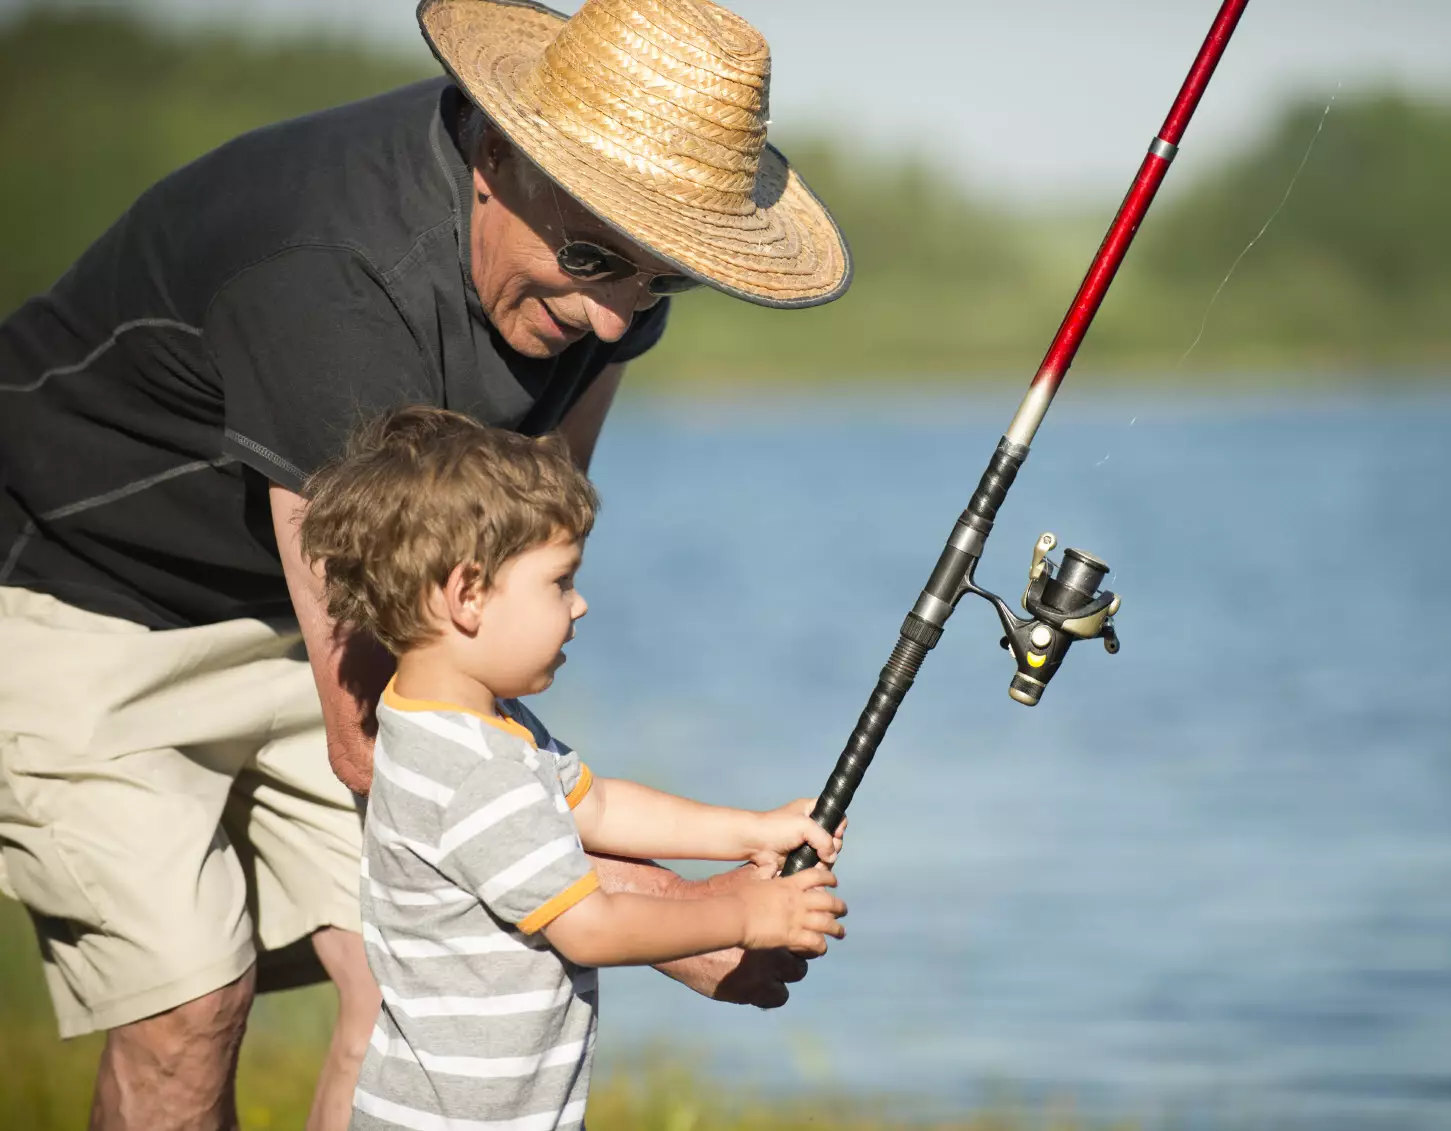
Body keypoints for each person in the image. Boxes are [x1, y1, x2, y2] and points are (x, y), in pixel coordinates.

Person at [0, 0, 851, 1126]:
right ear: (499, 155)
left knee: (400, 971)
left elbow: (518, 550)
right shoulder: (333, 275)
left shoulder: (611, 277)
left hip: (311, 605)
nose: (611, 325)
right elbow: (379, 734)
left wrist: (695, 871)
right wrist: (685, 920)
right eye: (593, 260)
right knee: (187, 1003)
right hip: (77, 586)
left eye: (657, 281)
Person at [299, 406, 848, 1130]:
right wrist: (748, 913)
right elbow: (591, 927)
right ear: (467, 595)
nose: (580, 604)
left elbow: (598, 807)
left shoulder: (459, 721)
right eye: (559, 581)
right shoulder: (473, 773)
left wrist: (750, 830)